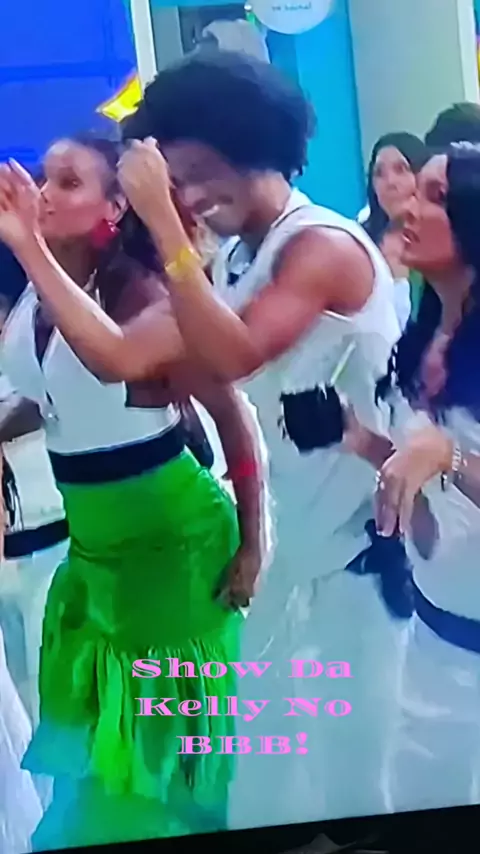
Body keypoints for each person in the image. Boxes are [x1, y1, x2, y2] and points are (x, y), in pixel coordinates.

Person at [116, 50, 404, 825]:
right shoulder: (244, 251)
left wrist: (165, 228)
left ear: (253, 147)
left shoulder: (322, 246)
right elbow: (171, 368)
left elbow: (236, 354)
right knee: (271, 773)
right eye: (176, 180)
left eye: (199, 174)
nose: (190, 196)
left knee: (358, 783)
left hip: (365, 555)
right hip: (300, 547)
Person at [0, 134, 264, 849]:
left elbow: (229, 413)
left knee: (155, 765)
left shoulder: (150, 297)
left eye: (68, 182)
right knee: (98, 759)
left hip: (171, 546)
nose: (44, 194)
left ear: (115, 208)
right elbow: (52, 394)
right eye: (43, 178)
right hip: (96, 551)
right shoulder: (38, 294)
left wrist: (254, 542)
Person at [346, 143, 480, 812]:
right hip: (432, 639)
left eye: (435, 197)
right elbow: (428, 489)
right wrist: (358, 439)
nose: (407, 207)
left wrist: (450, 458)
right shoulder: (421, 337)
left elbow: (444, 461)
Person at [363, 133, 429, 330]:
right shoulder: (359, 243)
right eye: (379, 173)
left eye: (401, 169)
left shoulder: (445, 243)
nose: (390, 182)